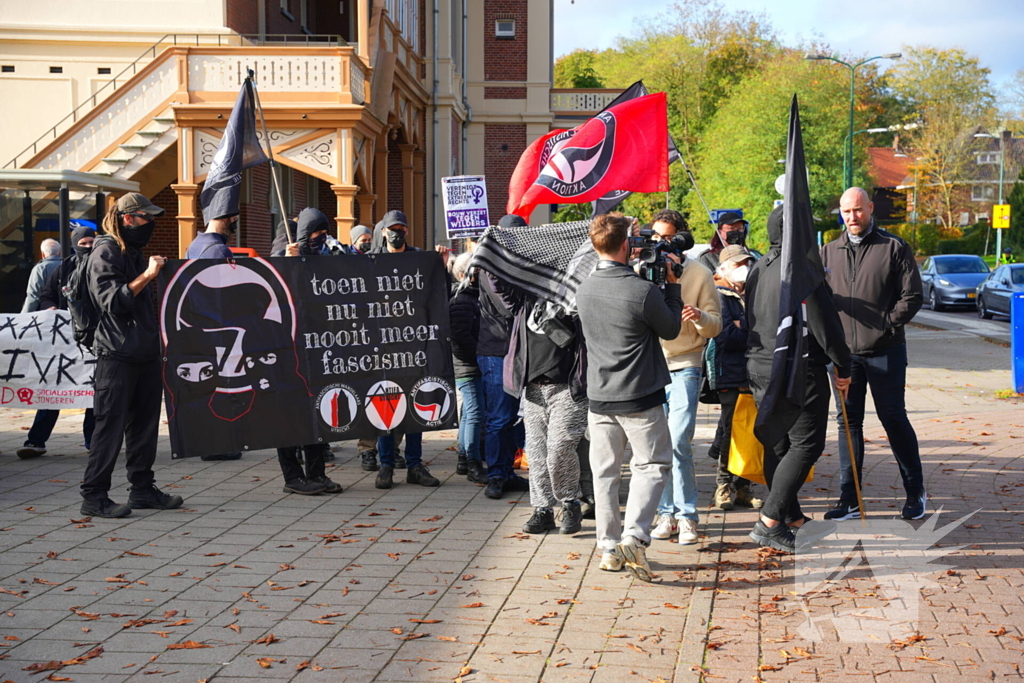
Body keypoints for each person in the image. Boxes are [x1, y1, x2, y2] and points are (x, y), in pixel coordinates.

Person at [575, 212, 682, 582]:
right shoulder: (642, 290)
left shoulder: (583, 288)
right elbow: (670, 328)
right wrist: (672, 286)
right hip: (639, 395)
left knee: (604, 474)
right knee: (652, 465)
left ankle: (608, 547)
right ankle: (634, 536)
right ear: (627, 246)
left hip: (600, 396)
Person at [745, 205, 851, 552]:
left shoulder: (758, 266)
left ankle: (791, 516)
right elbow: (826, 327)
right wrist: (843, 366)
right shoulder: (803, 271)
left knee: (780, 442)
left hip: (761, 366)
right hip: (796, 368)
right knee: (806, 444)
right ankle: (770, 521)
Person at [820, 187, 925, 521]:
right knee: (848, 425)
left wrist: (886, 325)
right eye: (846, 212)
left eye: (858, 210)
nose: (852, 217)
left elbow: (913, 296)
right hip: (844, 357)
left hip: (885, 352)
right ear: (840, 213)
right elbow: (818, 302)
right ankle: (849, 499)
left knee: (893, 418)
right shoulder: (827, 252)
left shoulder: (893, 247)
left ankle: (915, 492)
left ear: (870, 208)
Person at [82, 193, 183, 518]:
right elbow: (112, 300)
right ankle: (94, 495)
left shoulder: (132, 250)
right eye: (146, 218)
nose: (150, 224)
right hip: (116, 355)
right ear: (128, 218)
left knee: (144, 426)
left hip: (143, 352)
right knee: (109, 427)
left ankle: (142, 489)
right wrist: (148, 275)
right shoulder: (106, 251)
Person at [649, 209, 722, 545]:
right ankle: (664, 513)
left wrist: (699, 316)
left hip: (685, 365)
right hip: (650, 367)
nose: (661, 244)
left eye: (667, 238)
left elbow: (716, 324)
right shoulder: (644, 270)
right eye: (655, 237)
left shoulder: (698, 273)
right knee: (656, 445)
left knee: (678, 440)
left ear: (680, 238)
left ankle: (687, 516)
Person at [369, 209, 440, 490]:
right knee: (385, 405)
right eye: (392, 228)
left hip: (414, 346)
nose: (397, 233)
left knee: (414, 404)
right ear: (384, 231)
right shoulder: (370, 262)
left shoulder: (419, 259)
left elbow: (434, 295)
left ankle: (414, 465)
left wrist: (441, 265)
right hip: (384, 348)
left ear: (407, 231)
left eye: (402, 228)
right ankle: (386, 464)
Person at [277, 208, 345, 495]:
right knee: (290, 417)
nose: (323, 238)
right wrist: (289, 265)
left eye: (325, 233)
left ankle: (316, 473)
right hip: (288, 354)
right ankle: (293, 477)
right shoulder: (284, 259)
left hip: (317, 353)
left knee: (316, 414)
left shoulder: (325, 261)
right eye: (318, 233)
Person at [16, 227, 96, 459]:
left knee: (91, 392)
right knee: (54, 389)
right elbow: (45, 296)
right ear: (74, 244)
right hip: (63, 343)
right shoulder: (64, 268)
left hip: (93, 343)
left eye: (92, 242)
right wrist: (49, 307)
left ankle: (92, 441)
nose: (89, 247)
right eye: (84, 243)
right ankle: (36, 440)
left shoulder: (103, 264)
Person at [476, 214, 531, 500]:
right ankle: (496, 474)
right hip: (497, 350)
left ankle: (507, 472)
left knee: (512, 417)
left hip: (519, 349)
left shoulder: (518, 263)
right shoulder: (492, 265)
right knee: (499, 416)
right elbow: (510, 305)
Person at [183, 213, 244, 462]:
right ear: (228, 218)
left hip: (197, 326)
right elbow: (225, 296)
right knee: (222, 386)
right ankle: (217, 445)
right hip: (219, 329)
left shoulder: (194, 245)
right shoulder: (219, 250)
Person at [705, 245, 762, 510]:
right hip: (728, 373)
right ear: (724, 267)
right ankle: (723, 487)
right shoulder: (717, 294)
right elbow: (726, 335)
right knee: (729, 431)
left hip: (751, 373)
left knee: (749, 432)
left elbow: (762, 327)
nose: (745, 267)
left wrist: (746, 326)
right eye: (739, 263)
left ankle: (743, 487)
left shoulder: (752, 292)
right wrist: (750, 328)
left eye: (747, 262)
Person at [449, 253, 487, 483]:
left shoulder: (469, 297)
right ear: (464, 274)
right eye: (478, 270)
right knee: (474, 413)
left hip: (470, 363)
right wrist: (479, 356)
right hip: (467, 366)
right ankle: (472, 462)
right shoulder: (462, 300)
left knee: (469, 414)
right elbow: (460, 336)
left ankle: (464, 458)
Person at [22, 238, 62, 312]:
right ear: (59, 253)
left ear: (43, 254)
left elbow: (33, 296)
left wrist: (23, 317)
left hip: (46, 313)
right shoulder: (68, 266)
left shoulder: (40, 268)